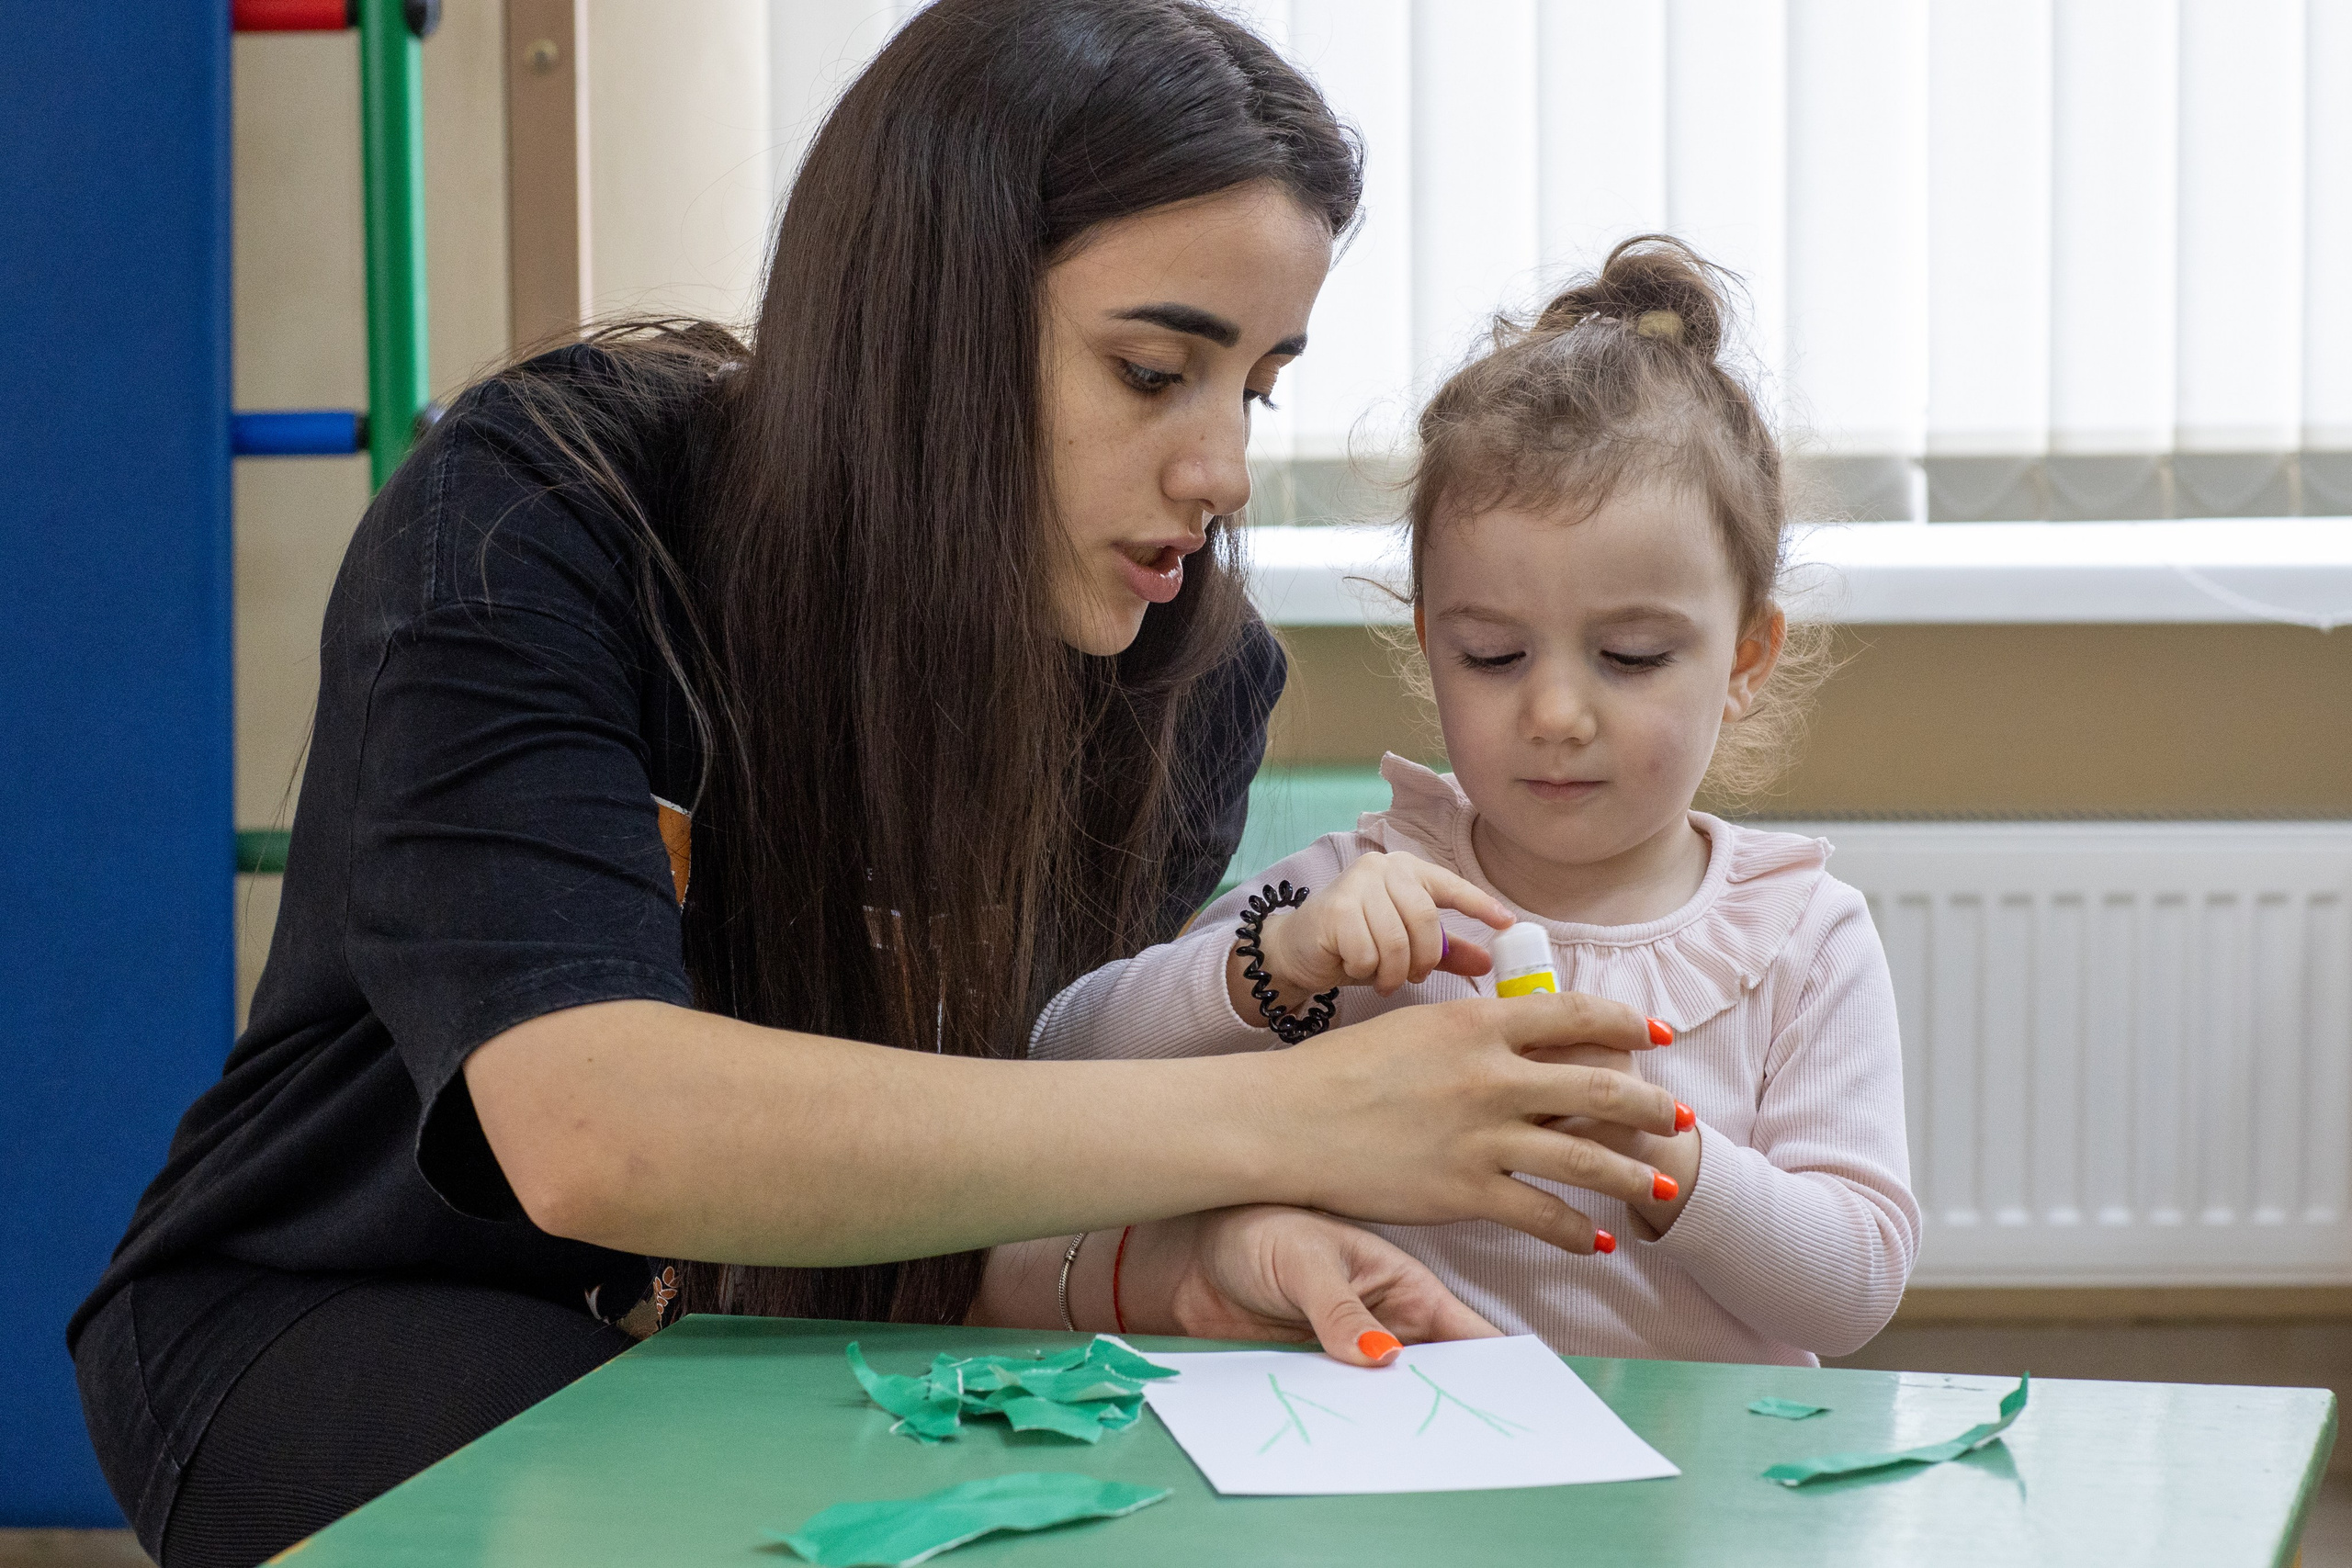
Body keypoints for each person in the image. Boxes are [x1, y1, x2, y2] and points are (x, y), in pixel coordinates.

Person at [69, 7, 1688, 1563]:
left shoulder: (1187, 678)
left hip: (792, 1349)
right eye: (1150, 372)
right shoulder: (540, 511)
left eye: (1252, 385)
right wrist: (1291, 1114)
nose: (1221, 470)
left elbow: (992, 1176)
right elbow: (581, 1126)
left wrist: (1200, 1255)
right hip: (342, 1313)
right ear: (933, 313)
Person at [1033, 236, 1920, 1366]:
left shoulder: (1798, 936)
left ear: (1745, 660)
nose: (1554, 712)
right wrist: (1281, 961)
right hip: (1407, 1465)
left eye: (1634, 656)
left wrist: (1662, 1151)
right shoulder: (1371, 893)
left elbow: (1849, 1295)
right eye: (1494, 656)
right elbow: (1064, 1061)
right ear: (1430, 645)